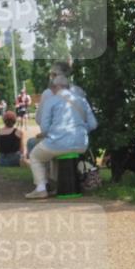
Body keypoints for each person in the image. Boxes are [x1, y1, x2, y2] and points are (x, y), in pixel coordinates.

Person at [26, 64, 98, 199]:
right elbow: (93, 124)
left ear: (57, 87)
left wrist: (55, 131)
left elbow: (44, 128)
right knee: (56, 150)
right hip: (82, 143)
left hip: (59, 142)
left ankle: (41, 188)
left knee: (35, 156)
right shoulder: (81, 99)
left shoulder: (51, 100)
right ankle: (64, 185)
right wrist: (80, 128)